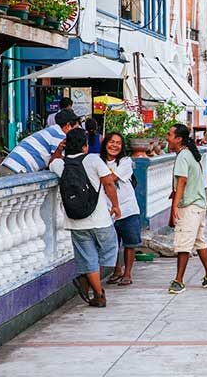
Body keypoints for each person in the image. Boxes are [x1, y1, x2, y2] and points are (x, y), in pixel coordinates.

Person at [49, 128, 120, 308]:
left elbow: (52, 161)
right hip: (100, 219)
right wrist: (116, 205)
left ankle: (96, 289)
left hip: (75, 221)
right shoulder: (93, 159)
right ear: (85, 146)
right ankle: (93, 283)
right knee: (110, 249)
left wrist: (59, 150)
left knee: (88, 258)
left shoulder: (61, 164)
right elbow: (109, 183)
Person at [166, 124, 207, 294]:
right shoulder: (190, 155)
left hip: (189, 206)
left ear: (178, 139)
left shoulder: (183, 156)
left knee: (183, 243)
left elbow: (182, 181)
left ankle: (178, 281)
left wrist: (175, 206)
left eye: (169, 134)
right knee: (198, 241)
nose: (167, 138)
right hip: (199, 205)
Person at [101, 133, 142, 287]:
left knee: (130, 243)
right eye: (111, 142)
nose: (114, 145)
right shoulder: (99, 161)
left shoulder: (125, 161)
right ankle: (117, 270)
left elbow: (111, 179)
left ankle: (127, 273)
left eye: (118, 143)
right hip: (107, 210)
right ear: (105, 143)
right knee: (113, 243)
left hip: (128, 208)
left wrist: (101, 175)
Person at [0, 109, 80, 176]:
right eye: (76, 127)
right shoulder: (59, 136)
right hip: (16, 170)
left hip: (7, 167)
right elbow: (55, 164)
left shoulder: (51, 131)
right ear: (68, 125)